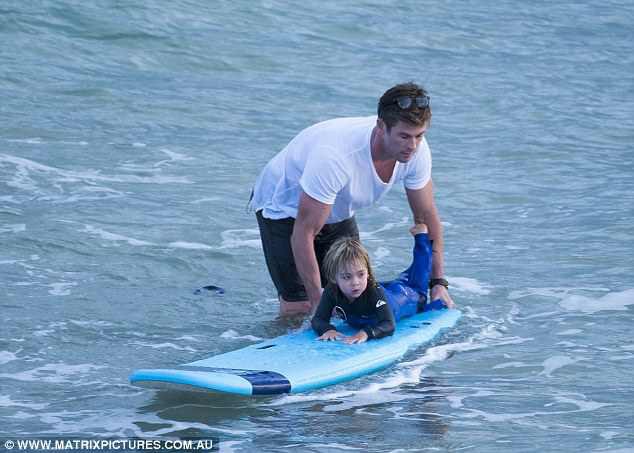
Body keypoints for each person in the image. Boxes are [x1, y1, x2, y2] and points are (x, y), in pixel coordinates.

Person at [251, 82, 453, 316]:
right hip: (284, 207)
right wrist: (318, 304)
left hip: (336, 205)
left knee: (355, 290)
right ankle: (282, 339)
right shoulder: (336, 156)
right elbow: (303, 233)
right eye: (404, 136)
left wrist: (438, 283)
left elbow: (426, 217)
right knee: (302, 305)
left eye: (419, 136)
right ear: (381, 126)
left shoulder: (417, 151)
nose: (413, 146)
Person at [312, 224, 452, 344]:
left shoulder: (373, 292)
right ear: (334, 278)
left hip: (404, 296)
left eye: (361, 274)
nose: (355, 283)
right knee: (404, 278)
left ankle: (421, 237)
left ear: (368, 272)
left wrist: (366, 333)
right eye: (346, 277)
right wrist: (328, 329)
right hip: (387, 291)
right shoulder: (332, 291)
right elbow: (318, 319)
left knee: (419, 289)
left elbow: (388, 325)